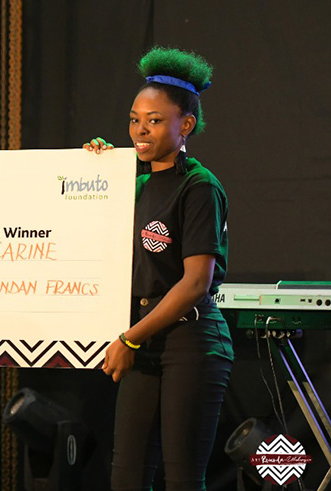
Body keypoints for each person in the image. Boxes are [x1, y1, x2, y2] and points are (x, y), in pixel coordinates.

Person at [85, 47, 233, 490]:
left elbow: (195, 283)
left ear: (185, 124)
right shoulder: (134, 185)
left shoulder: (199, 187)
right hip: (144, 341)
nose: (139, 130)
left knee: (183, 480)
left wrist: (130, 337)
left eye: (153, 120)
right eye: (134, 119)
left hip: (190, 342)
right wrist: (90, 169)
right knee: (127, 480)